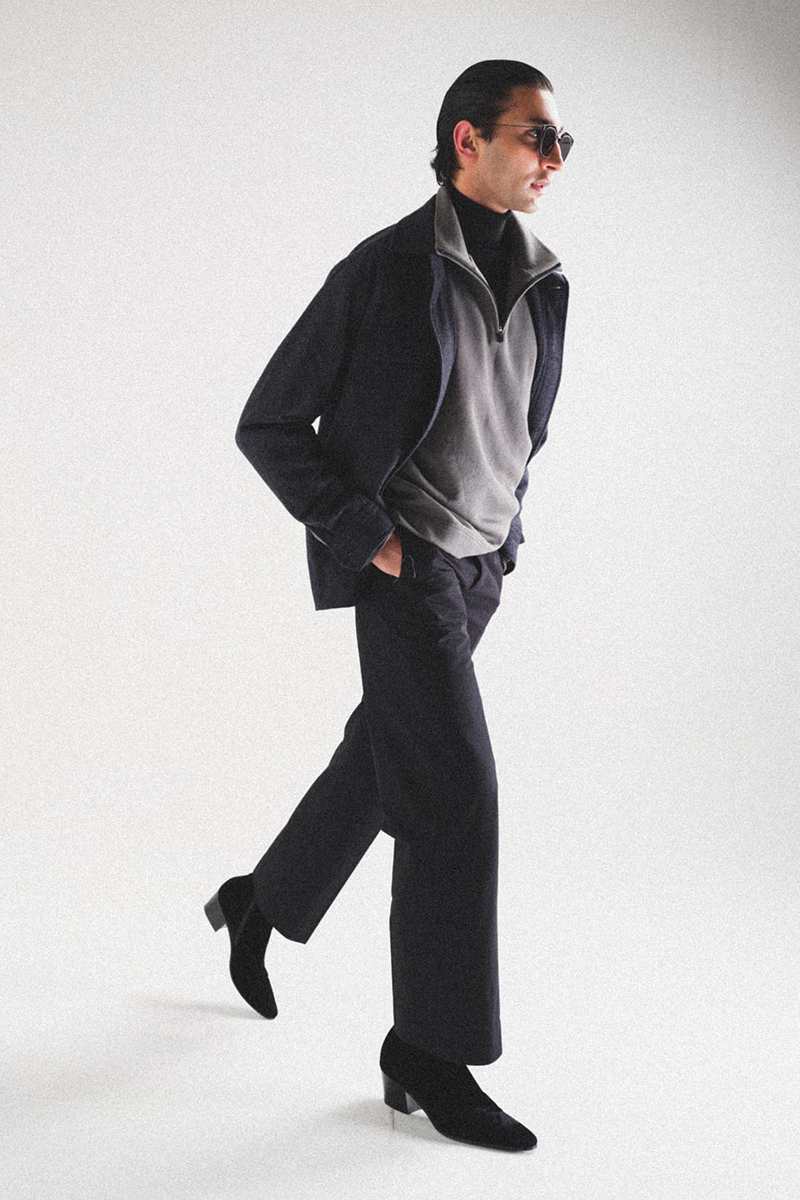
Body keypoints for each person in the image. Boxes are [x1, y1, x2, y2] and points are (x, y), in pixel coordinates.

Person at [205, 59, 572, 1152]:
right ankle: (429, 1050)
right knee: (455, 789)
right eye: (536, 136)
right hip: (406, 569)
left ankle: (259, 901)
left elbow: (519, 424)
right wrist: (369, 536)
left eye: (562, 142)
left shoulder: (547, 281)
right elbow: (269, 422)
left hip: (478, 571)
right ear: (467, 140)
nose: (553, 159)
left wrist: (502, 535)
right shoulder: (385, 270)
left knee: (387, 757)